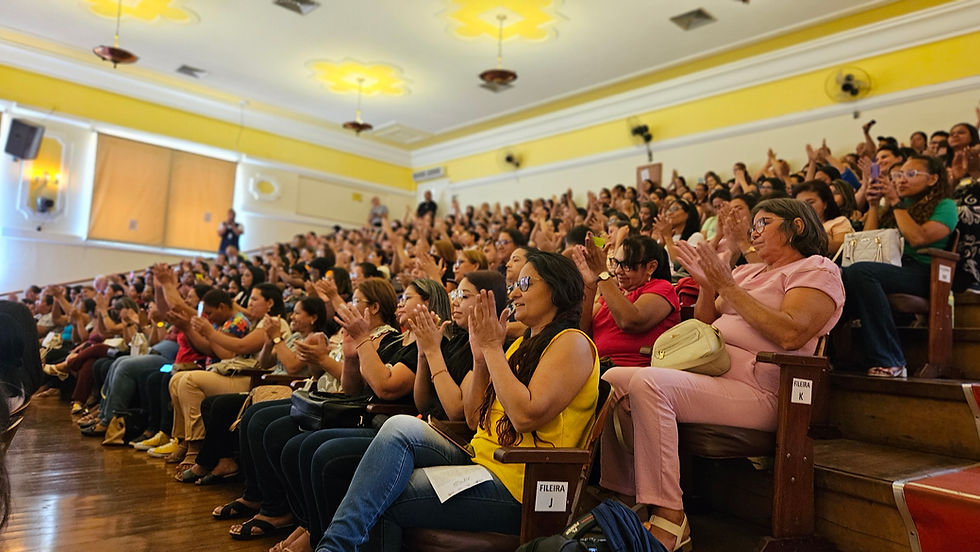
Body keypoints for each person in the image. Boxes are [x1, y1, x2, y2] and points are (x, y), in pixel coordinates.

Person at [600, 198, 844, 551]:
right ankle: (624, 501)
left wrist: (726, 286)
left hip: (764, 391)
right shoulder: (748, 271)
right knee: (613, 381)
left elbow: (793, 333)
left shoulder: (816, 270)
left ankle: (670, 515)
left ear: (797, 227)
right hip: (714, 375)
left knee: (650, 382)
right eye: (753, 226)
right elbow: (703, 327)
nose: (754, 233)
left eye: (764, 224)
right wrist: (708, 286)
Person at [314, 250, 599, 551]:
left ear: (558, 288)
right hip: (481, 458)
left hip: (521, 485)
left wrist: (491, 348)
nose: (514, 291)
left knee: (384, 491)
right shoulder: (522, 343)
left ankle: (333, 548)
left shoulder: (572, 343)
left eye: (526, 282)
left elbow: (525, 416)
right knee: (399, 427)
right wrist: (480, 358)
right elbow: (475, 418)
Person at [841, 155, 956, 377]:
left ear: (933, 179)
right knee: (840, 274)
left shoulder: (946, 205)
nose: (902, 180)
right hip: (891, 268)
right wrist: (874, 206)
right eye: (899, 175)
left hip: (924, 273)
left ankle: (891, 360)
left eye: (911, 174)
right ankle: (835, 356)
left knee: (861, 272)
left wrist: (895, 202)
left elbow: (918, 238)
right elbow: (869, 240)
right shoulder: (900, 206)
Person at [573, 234, 680, 367]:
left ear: (651, 267)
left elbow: (630, 321)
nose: (618, 271)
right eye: (616, 263)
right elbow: (582, 330)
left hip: (632, 370)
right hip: (597, 367)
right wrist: (590, 284)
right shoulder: (615, 293)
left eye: (626, 265)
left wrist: (602, 273)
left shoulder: (663, 288)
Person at [793, 180, 854, 256]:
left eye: (810, 202)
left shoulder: (839, 221)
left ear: (825, 203)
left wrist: (813, 227)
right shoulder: (796, 227)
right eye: (800, 205)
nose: (804, 208)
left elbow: (840, 249)